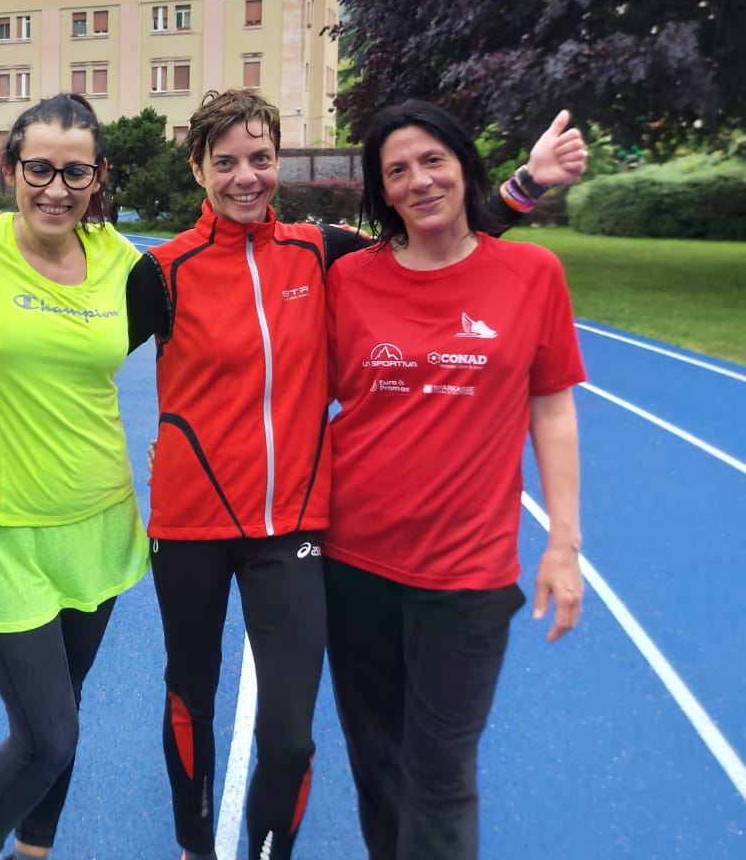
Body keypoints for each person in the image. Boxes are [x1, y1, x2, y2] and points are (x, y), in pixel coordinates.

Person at [123, 90, 585, 860]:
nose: (245, 176)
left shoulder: (321, 252)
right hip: (191, 522)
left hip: (295, 529)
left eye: (260, 158)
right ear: (198, 168)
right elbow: (76, 358)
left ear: (280, 161)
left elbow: (439, 235)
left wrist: (526, 185)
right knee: (191, 699)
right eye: (225, 161)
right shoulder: (162, 271)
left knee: (291, 739)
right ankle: (194, 847)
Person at [323, 99, 586, 860]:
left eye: (433, 160)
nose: (419, 181)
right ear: (382, 191)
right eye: (397, 171)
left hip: (466, 575)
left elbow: (552, 408)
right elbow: (294, 394)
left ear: (464, 166)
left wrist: (563, 545)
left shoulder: (532, 274)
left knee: (440, 774)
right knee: (377, 764)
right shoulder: (350, 280)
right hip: (353, 564)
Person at [0, 93, 152, 860]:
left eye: (75, 172)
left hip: (100, 519)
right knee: (46, 736)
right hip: (2, 527)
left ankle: (33, 852)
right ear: (10, 168)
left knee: (67, 709)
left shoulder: (122, 260)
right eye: (39, 169)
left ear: (99, 175)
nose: (56, 188)